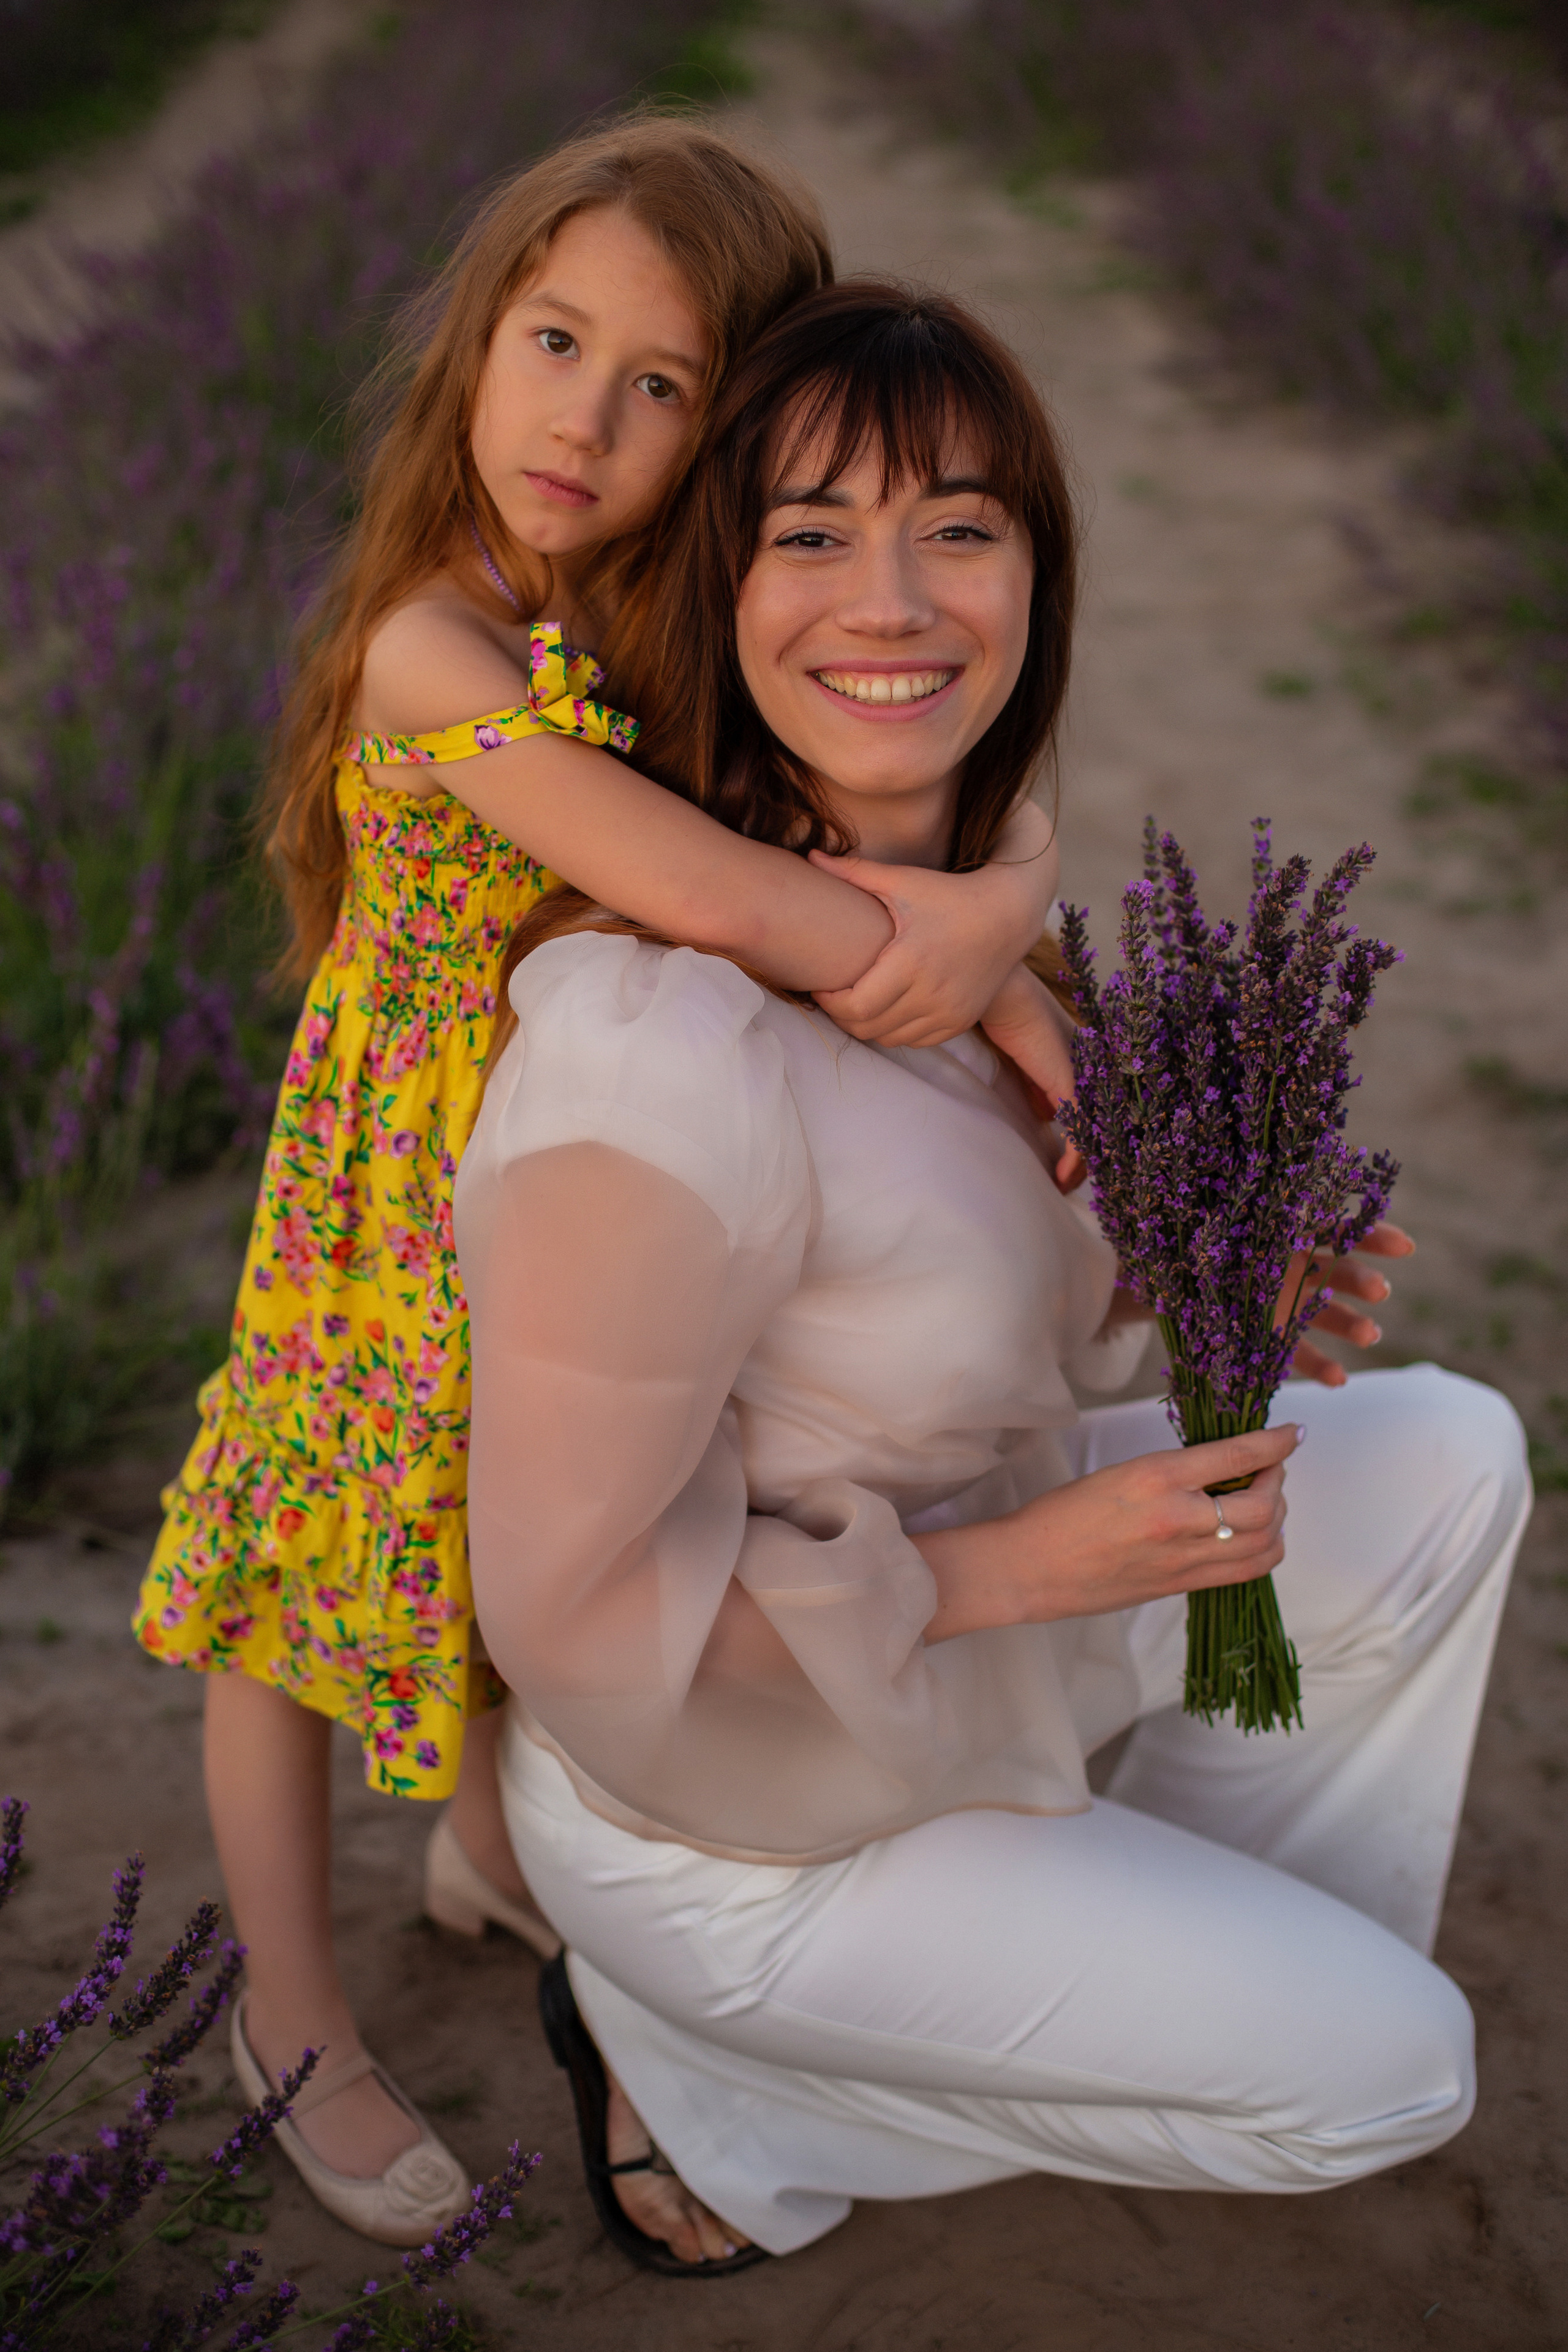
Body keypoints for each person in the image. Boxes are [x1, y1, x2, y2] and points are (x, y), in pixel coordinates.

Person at [456, 281, 1532, 2277]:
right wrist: (1027, 1574)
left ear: (1035, 574)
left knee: (1452, 1452)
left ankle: (1157, 1948)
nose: (894, 599)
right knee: (1393, 2077)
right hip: (737, 1806)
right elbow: (573, 1611)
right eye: (810, 535)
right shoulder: (649, 1049)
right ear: (718, 587)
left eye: (960, 526)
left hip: (945, 1650)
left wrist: (1218, 1298)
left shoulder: (976, 962)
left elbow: (937, 1321)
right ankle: (706, 2068)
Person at [131, 124, 1076, 2244]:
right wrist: (973, 962)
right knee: (298, 1590)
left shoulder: (660, 626)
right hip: (390, 1210)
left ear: (725, 445)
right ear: (478, 340)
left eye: (664, 386)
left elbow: (917, 811)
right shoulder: (434, 651)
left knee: (519, 1540)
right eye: (555, 341)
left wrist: (1015, 895)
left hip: (568, 1194)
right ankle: (289, 2015)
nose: (587, 413)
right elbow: (694, 882)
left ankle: (488, 1854)